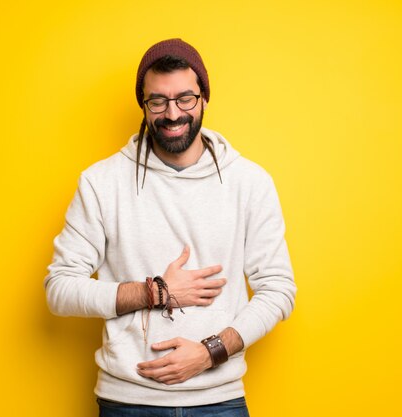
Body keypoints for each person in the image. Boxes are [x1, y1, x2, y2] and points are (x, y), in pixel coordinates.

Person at [44, 38, 296, 416]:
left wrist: (211, 352)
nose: (172, 113)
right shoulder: (101, 182)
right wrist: (154, 292)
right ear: (143, 106)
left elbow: (278, 290)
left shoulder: (250, 182)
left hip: (219, 402)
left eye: (185, 99)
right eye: (158, 101)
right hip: (128, 402)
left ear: (204, 99)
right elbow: (59, 289)